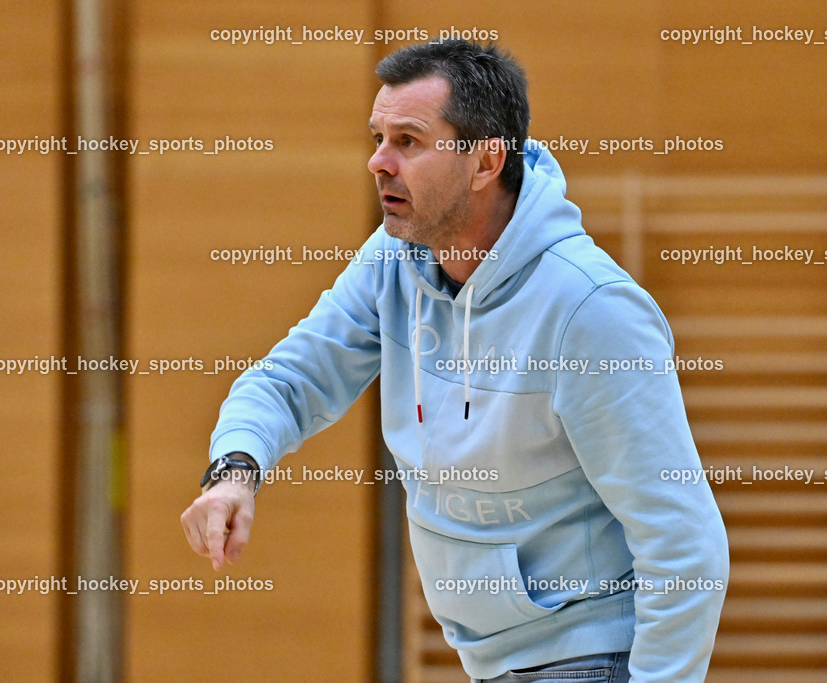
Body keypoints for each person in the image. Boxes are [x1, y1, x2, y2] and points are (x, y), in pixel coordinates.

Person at [181, 39, 728, 682]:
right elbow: (291, 378)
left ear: (485, 161)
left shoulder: (591, 310)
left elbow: (685, 543)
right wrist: (235, 470)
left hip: (586, 658)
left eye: (408, 141)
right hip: (492, 662)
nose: (377, 162)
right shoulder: (393, 261)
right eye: (378, 137)